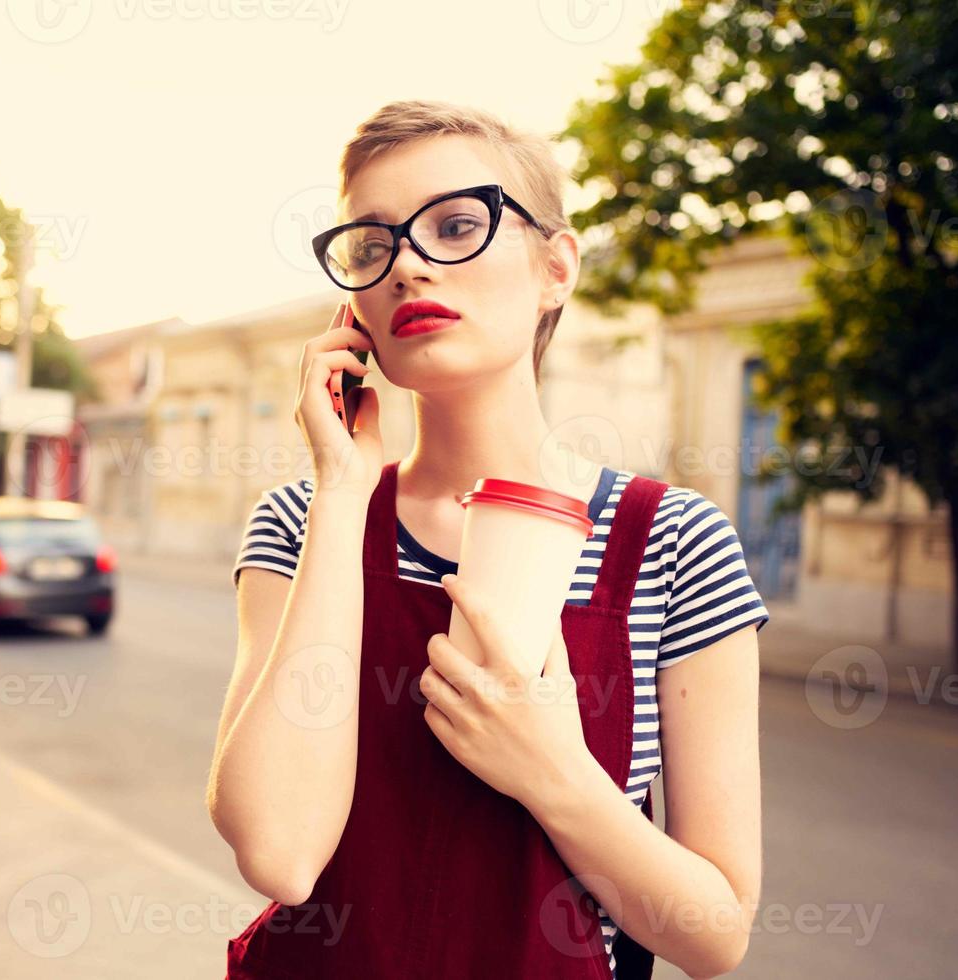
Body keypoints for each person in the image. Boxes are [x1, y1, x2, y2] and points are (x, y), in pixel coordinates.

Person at [208, 99, 767, 979]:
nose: (409, 266)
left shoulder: (673, 542)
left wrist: (553, 771)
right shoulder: (303, 521)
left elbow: (715, 936)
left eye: (458, 224)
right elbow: (279, 853)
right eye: (372, 243)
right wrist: (346, 491)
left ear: (556, 267)